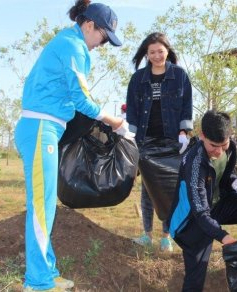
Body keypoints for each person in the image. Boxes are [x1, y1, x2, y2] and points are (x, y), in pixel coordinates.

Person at [14, 1, 133, 291]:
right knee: (41, 208)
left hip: (47, 128)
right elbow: (81, 99)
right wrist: (115, 121)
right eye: (104, 37)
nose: (102, 45)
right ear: (89, 25)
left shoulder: (69, 43)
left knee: (45, 206)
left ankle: (47, 270)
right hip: (41, 127)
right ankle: (38, 282)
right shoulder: (73, 46)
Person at [169, 110, 237, 292]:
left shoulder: (231, 148)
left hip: (218, 204)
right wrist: (225, 237)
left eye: (223, 145)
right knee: (196, 276)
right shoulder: (195, 163)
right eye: (213, 146)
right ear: (202, 135)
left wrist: (234, 180)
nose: (219, 152)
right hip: (191, 221)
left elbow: (223, 177)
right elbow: (201, 212)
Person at [126, 32, 193, 252]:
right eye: (152, 52)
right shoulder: (138, 79)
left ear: (168, 51)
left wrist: (184, 131)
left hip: (171, 141)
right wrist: (131, 138)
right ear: (146, 54)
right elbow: (133, 112)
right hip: (146, 141)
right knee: (147, 189)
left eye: (160, 51)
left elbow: (186, 106)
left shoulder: (180, 76)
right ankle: (147, 234)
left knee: (168, 189)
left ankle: (166, 235)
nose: (157, 56)